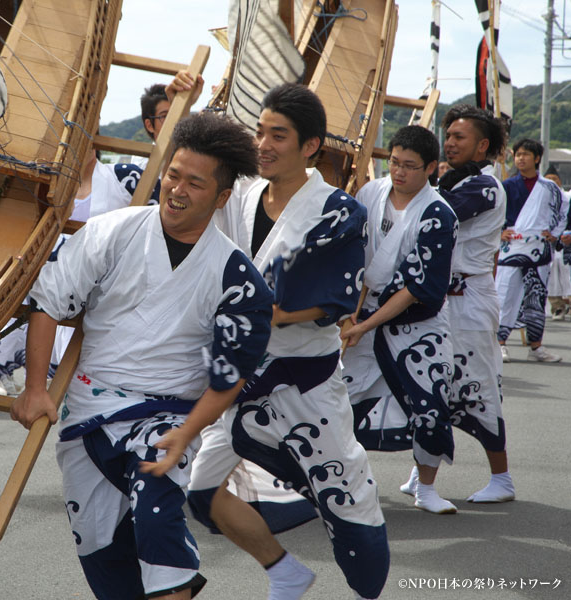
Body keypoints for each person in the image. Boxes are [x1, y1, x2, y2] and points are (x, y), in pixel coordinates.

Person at [11, 111, 273, 600]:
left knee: (157, 514)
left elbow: (228, 379)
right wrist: (34, 389)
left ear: (220, 198)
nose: (176, 189)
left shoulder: (238, 278)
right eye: (173, 174)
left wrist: (187, 433)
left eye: (195, 183)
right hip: (87, 412)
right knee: (103, 558)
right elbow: (49, 300)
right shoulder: (113, 232)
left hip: (169, 419)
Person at [172, 78, 389, 600]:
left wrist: (271, 312)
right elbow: (192, 193)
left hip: (305, 386)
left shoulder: (338, 211)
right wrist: (191, 104)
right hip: (242, 380)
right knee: (201, 493)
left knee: (347, 509)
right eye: (260, 132)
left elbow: (332, 301)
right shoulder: (241, 194)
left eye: (279, 135)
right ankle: (284, 570)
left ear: (310, 145)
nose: (263, 145)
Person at [341, 125, 459, 515]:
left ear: (430, 168)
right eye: (393, 162)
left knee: (430, 405)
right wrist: (350, 315)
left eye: (410, 166)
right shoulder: (370, 193)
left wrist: (364, 325)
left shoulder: (438, 214)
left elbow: (416, 286)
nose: (399, 172)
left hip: (416, 322)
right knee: (339, 400)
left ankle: (426, 486)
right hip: (362, 311)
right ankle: (338, 479)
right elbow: (355, 255)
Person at [429, 104, 515, 504]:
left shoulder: (483, 186)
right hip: (441, 299)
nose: (449, 143)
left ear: (483, 146)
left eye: (459, 137)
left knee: (478, 387)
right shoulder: (454, 180)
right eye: (447, 136)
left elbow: (438, 216)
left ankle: (502, 479)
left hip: (471, 299)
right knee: (431, 385)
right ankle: (423, 475)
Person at [495, 138, 565, 362]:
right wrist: (499, 231)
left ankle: (536, 346)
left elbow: (563, 210)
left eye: (525, 154)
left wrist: (555, 232)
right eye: (517, 154)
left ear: (536, 158)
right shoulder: (506, 186)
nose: (520, 158)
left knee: (537, 296)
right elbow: (494, 213)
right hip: (512, 245)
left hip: (538, 246)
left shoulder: (550, 187)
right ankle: (500, 342)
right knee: (505, 294)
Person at [544, 168, 571, 319]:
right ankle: (557, 306)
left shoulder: (567, 197)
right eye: (549, 178)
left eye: (555, 178)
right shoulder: (541, 199)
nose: (552, 181)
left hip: (567, 243)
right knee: (551, 275)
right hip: (549, 243)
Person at [131, 83, 171, 168]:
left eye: (176, 114)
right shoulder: (141, 163)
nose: (173, 120)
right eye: (164, 116)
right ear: (149, 125)